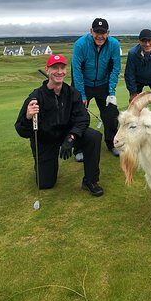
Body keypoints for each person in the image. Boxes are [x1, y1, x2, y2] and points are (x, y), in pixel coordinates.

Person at [15, 54, 104, 196]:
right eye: (54, 68)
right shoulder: (35, 97)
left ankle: (90, 181)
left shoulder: (72, 93)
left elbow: (83, 119)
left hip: (66, 134)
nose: (59, 71)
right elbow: (21, 130)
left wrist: (71, 137)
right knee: (45, 184)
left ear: (66, 71)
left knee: (94, 136)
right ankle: (42, 165)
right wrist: (27, 117)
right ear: (47, 70)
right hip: (45, 140)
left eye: (62, 68)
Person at [71, 18, 121, 158]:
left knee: (111, 114)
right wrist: (81, 95)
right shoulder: (80, 44)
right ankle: (78, 148)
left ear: (108, 33)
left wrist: (111, 92)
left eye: (103, 32)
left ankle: (112, 143)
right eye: (97, 32)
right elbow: (77, 70)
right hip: (83, 83)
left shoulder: (114, 44)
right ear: (91, 31)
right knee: (79, 114)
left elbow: (115, 68)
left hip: (103, 84)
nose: (100, 35)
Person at [124, 28, 151, 113]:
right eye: (144, 41)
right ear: (139, 41)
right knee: (135, 105)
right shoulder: (132, 53)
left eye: (149, 41)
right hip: (138, 79)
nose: (147, 44)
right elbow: (130, 73)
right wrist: (133, 92)